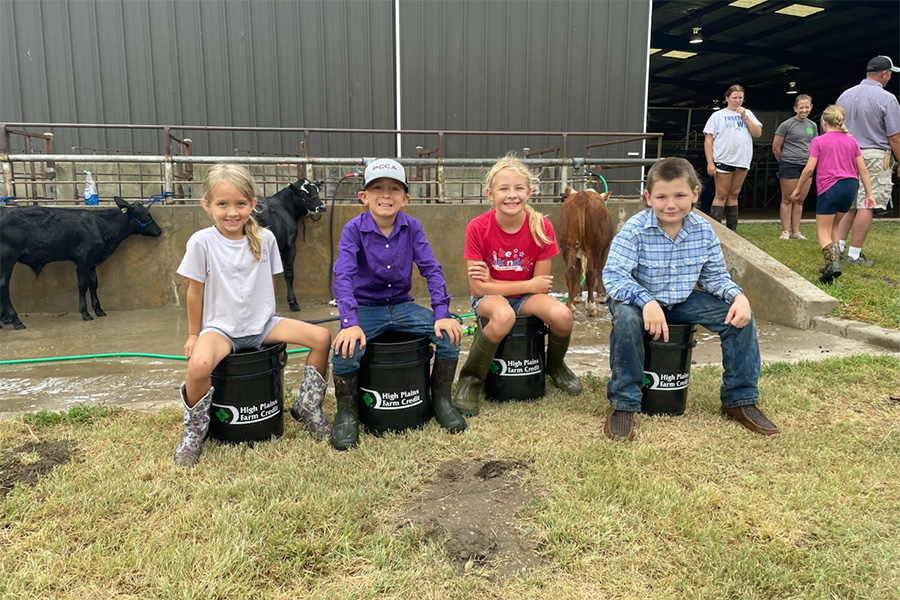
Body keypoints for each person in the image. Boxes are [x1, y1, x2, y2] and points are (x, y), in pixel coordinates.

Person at [601, 157, 778, 442]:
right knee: (625, 318)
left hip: (681, 301)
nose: (670, 204)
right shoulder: (634, 229)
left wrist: (739, 297)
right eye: (661, 197)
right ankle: (624, 402)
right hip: (636, 301)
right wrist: (647, 301)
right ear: (648, 198)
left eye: (680, 195)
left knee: (738, 317)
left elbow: (714, 277)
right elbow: (614, 277)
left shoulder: (703, 231)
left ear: (695, 194)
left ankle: (739, 399)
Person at [174, 164, 333, 467]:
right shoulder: (201, 242)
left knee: (321, 337)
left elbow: (262, 286)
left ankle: (308, 407)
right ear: (206, 205)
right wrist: (194, 334)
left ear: (252, 203)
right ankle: (194, 431)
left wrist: (267, 322)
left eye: (240, 204)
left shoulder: (266, 239)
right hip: (221, 329)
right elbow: (194, 292)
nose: (232, 212)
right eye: (222, 204)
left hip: (263, 326)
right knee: (199, 365)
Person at [330, 158, 465, 451]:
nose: (386, 195)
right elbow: (343, 275)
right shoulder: (353, 230)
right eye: (377, 188)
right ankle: (347, 414)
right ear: (364, 197)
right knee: (344, 348)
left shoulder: (413, 227)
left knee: (449, 334)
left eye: (394, 189)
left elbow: (431, 268)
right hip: (366, 308)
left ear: (405, 198)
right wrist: (349, 323)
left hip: (404, 307)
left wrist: (442, 313)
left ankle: (441, 400)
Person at [452, 155, 582, 417]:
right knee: (503, 315)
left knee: (563, 315)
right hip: (490, 300)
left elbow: (541, 287)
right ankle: (470, 380)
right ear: (490, 194)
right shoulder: (477, 227)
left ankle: (555, 366)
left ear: (529, 192)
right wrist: (518, 284)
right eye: (504, 189)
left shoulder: (541, 226)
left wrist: (493, 282)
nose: (512, 195)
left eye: (518, 188)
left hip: (525, 298)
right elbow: (478, 290)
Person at [791, 105, 874, 284]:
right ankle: (833, 261)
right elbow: (863, 170)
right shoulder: (852, 141)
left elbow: (809, 168)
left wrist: (798, 188)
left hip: (830, 187)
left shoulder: (819, 141)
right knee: (835, 227)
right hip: (850, 186)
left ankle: (832, 263)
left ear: (823, 122)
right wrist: (869, 194)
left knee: (822, 229)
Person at [835, 55, 900, 266]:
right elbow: (894, 136)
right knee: (866, 203)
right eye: (890, 73)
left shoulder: (844, 95)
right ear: (885, 74)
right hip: (873, 154)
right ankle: (854, 254)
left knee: (849, 203)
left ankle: (839, 247)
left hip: (846, 152)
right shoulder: (887, 98)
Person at [703, 84, 763, 231]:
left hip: (742, 158)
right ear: (727, 98)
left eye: (740, 98)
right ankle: (716, 228)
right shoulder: (717, 116)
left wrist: (745, 117)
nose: (737, 101)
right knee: (721, 193)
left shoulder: (748, 113)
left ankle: (732, 229)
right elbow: (708, 139)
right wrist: (710, 162)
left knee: (734, 193)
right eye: (734, 98)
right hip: (723, 158)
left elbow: (757, 133)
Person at [773, 94, 818, 240]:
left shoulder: (812, 126)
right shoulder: (786, 125)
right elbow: (776, 147)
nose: (804, 110)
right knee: (788, 198)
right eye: (801, 107)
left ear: (811, 107)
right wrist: (784, 161)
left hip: (806, 165)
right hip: (789, 164)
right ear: (795, 108)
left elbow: (815, 145)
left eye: (807, 107)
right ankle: (785, 230)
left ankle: (796, 231)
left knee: (800, 200)